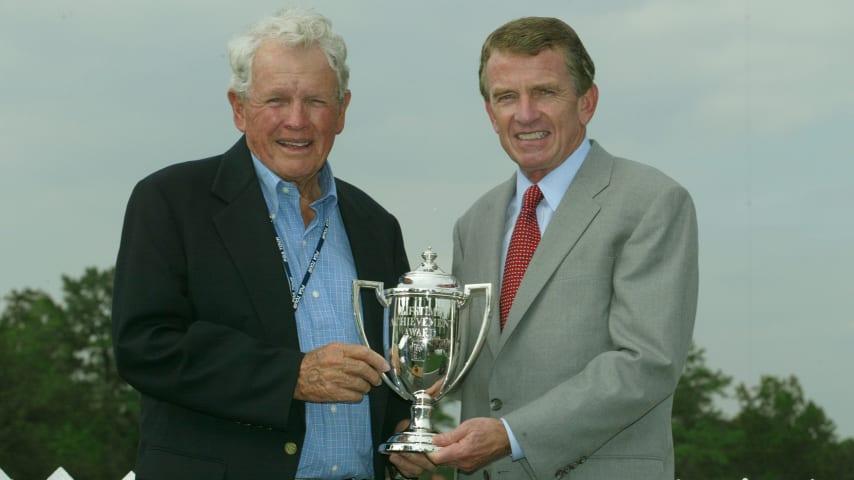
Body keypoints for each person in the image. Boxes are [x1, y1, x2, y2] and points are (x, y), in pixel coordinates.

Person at [392, 16, 699, 480]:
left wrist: (512, 435)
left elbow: (646, 363)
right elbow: (472, 368)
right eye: (506, 97)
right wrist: (419, 400)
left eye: (546, 92)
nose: (526, 113)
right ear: (490, 112)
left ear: (587, 101)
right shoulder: (474, 223)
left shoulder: (652, 202)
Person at [111, 8, 411, 480]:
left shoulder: (377, 224)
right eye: (276, 100)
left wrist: (403, 430)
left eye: (315, 100)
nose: (296, 120)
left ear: (343, 111)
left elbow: (396, 366)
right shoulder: (171, 201)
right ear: (239, 108)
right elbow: (144, 346)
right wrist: (291, 376)